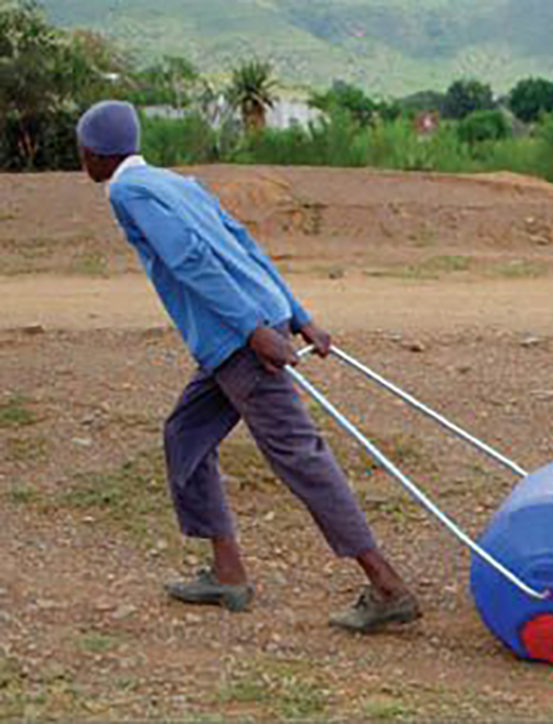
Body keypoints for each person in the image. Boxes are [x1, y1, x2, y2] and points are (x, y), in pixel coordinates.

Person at [76, 100, 420, 633]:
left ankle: (387, 586)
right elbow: (245, 245)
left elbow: (188, 258)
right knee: (185, 434)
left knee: (298, 454)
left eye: (82, 152)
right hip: (242, 334)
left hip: (239, 340)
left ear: (92, 153)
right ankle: (228, 574)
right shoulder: (177, 182)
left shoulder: (125, 191)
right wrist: (297, 316)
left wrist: (253, 330)